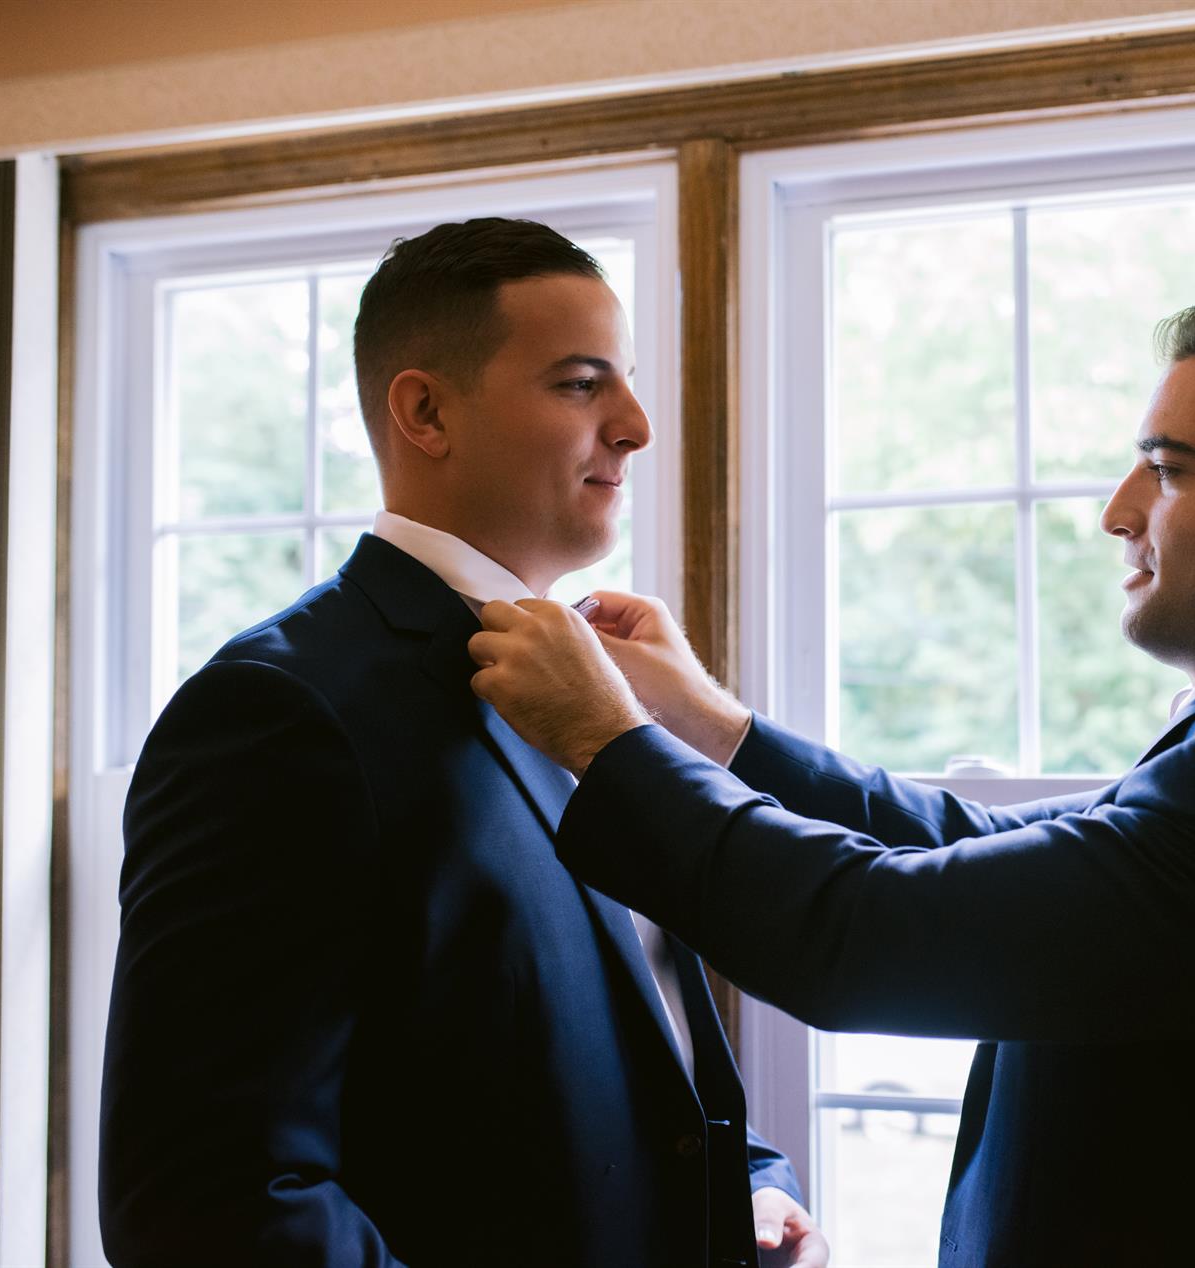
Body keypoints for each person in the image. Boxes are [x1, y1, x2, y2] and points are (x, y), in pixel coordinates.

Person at [469, 299, 1195, 1266]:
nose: (1118, 511)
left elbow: (870, 931)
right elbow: (961, 840)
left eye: (1169, 470)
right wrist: (714, 726)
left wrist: (608, 740)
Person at [100, 218, 826, 1268]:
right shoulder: (278, 714)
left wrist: (747, 1183)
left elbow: (624, 1043)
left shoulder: (604, 695)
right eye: (581, 384)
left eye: (624, 383)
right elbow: (211, 1197)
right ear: (426, 412)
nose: (635, 426)